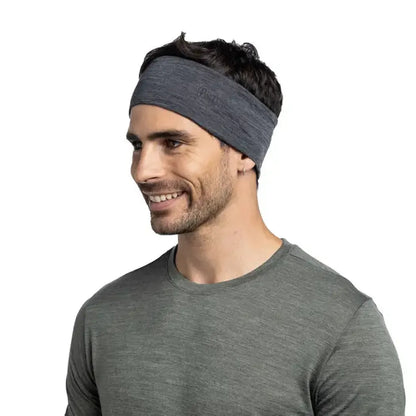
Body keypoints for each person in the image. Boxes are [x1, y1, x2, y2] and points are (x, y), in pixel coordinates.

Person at [64, 32, 406, 415]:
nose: (143, 170)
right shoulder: (103, 317)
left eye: (173, 143)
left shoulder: (342, 326)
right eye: (137, 145)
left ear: (244, 151)